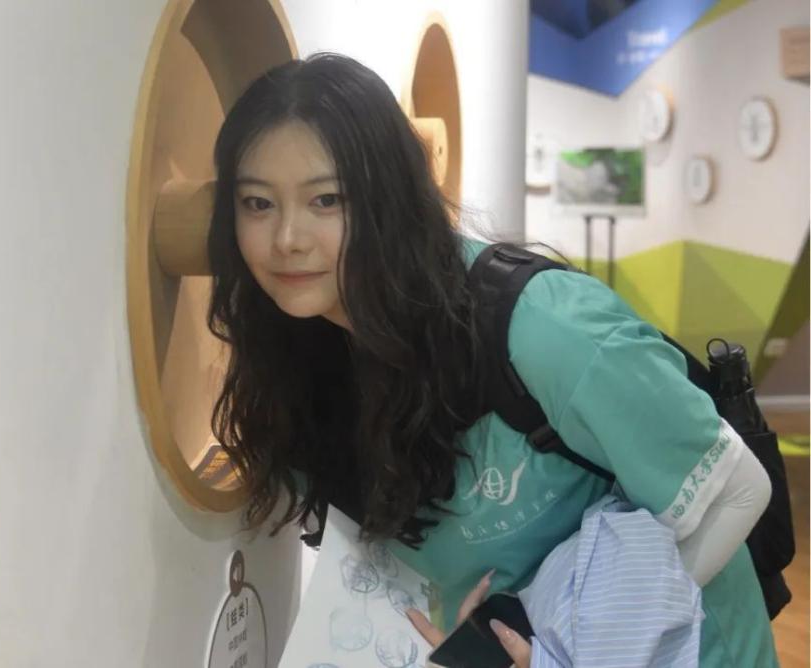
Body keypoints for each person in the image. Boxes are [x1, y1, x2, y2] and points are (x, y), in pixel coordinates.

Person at [204, 52, 778, 666]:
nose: (287, 239)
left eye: (326, 200)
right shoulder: (300, 354)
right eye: (258, 204)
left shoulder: (541, 327)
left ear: (389, 199)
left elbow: (739, 490)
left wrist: (576, 651)